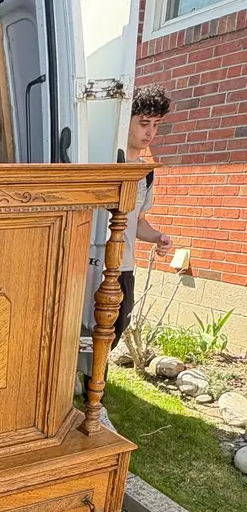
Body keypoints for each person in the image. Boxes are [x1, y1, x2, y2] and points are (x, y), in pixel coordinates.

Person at [83, 83, 174, 430]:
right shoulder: (103, 160)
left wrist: (157, 237)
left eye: (156, 125)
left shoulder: (146, 172)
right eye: (144, 123)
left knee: (116, 327)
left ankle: (93, 393)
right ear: (127, 122)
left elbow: (137, 221)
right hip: (90, 260)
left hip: (123, 264)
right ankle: (88, 396)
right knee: (82, 330)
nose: (150, 132)